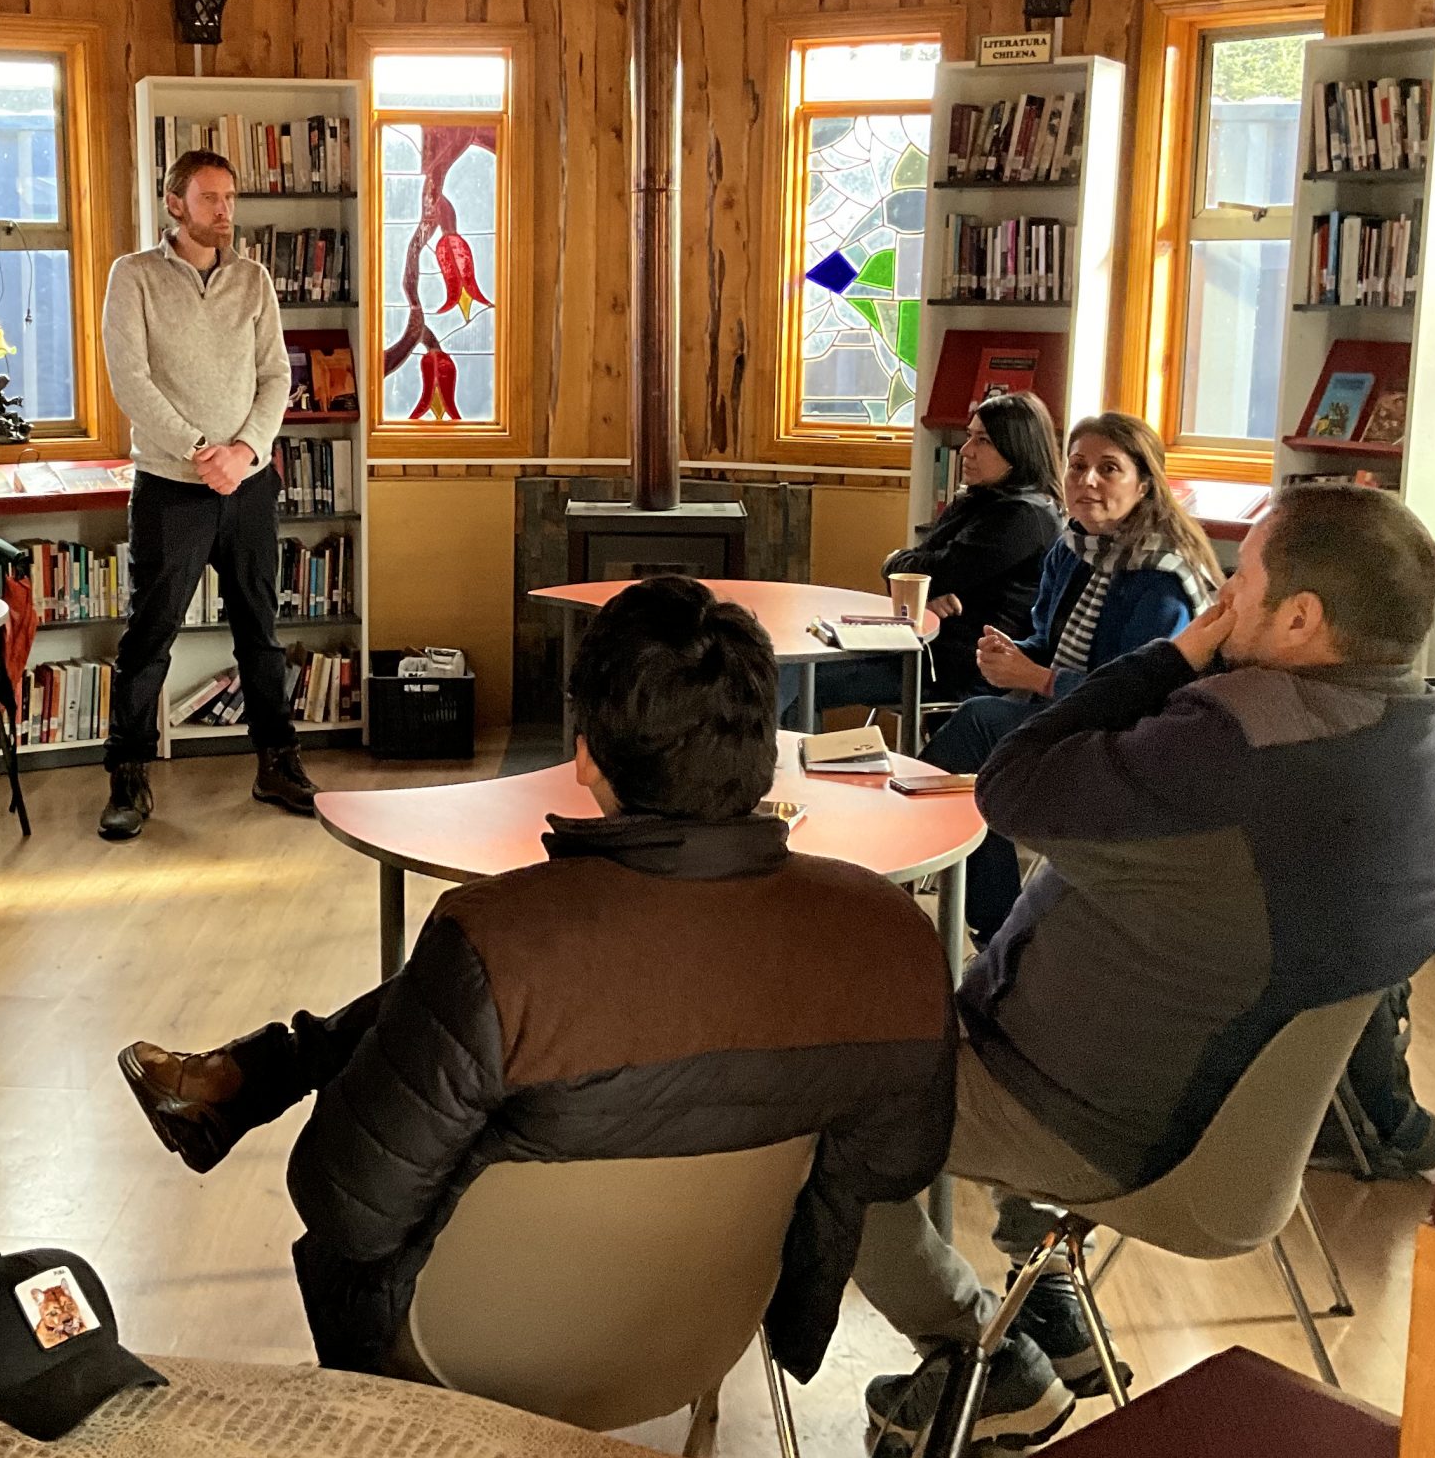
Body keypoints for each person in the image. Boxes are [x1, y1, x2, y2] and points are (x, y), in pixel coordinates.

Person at [114, 575, 958, 1383]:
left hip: (462, 1356)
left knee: (474, 1016)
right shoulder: (891, 936)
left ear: (586, 758)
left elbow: (346, 1208)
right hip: (708, 1331)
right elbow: (891, 1167)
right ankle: (253, 1075)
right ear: (760, 751)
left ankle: (253, 1076)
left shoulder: (498, 937)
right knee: (478, 1013)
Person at [858, 483, 1435, 1452]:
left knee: (820, 1097)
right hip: (1217, 1115)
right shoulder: (1414, 744)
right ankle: (1049, 1310)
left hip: (1095, 1112)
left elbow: (1009, 784)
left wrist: (1176, 653)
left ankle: (983, 1359)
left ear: (1300, 619)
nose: (1221, 592)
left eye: (1243, 578)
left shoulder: (1234, 745)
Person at [926, 411, 1219, 938]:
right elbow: (1050, 641)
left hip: (1132, 745)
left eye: (1108, 469)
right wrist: (1010, 653)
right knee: (970, 774)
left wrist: (1035, 677)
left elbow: (1137, 698)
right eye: (1078, 466)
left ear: (1144, 484)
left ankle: (957, 899)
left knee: (972, 739)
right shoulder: (1073, 548)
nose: (1087, 481)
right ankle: (991, 924)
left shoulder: (1160, 577)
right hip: (1064, 712)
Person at [96, 149, 314, 839]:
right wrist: (198, 451)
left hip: (247, 486)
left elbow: (276, 377)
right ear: (174, 204)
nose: (225, 212)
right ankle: (128, 778)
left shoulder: (253, 281)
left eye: (230, 198)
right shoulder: (132, 277)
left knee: (261, 632)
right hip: (171, 487)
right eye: (210, 199)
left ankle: (277, 763)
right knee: (149, 637)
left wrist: (245, 451)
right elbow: (130, 380)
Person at [784, 392, 1065, 723]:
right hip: (921, 648)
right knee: (796, 669)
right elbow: (917, 568)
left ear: (1018, 450)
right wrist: (918, 584)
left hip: (955, 669)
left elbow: (929, 570)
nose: (966, 450)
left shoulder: (1022, 517)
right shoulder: (979, 501)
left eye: (983, 441)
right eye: (969, 436)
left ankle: (792, 773)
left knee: (796, 683)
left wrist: (918, 580)